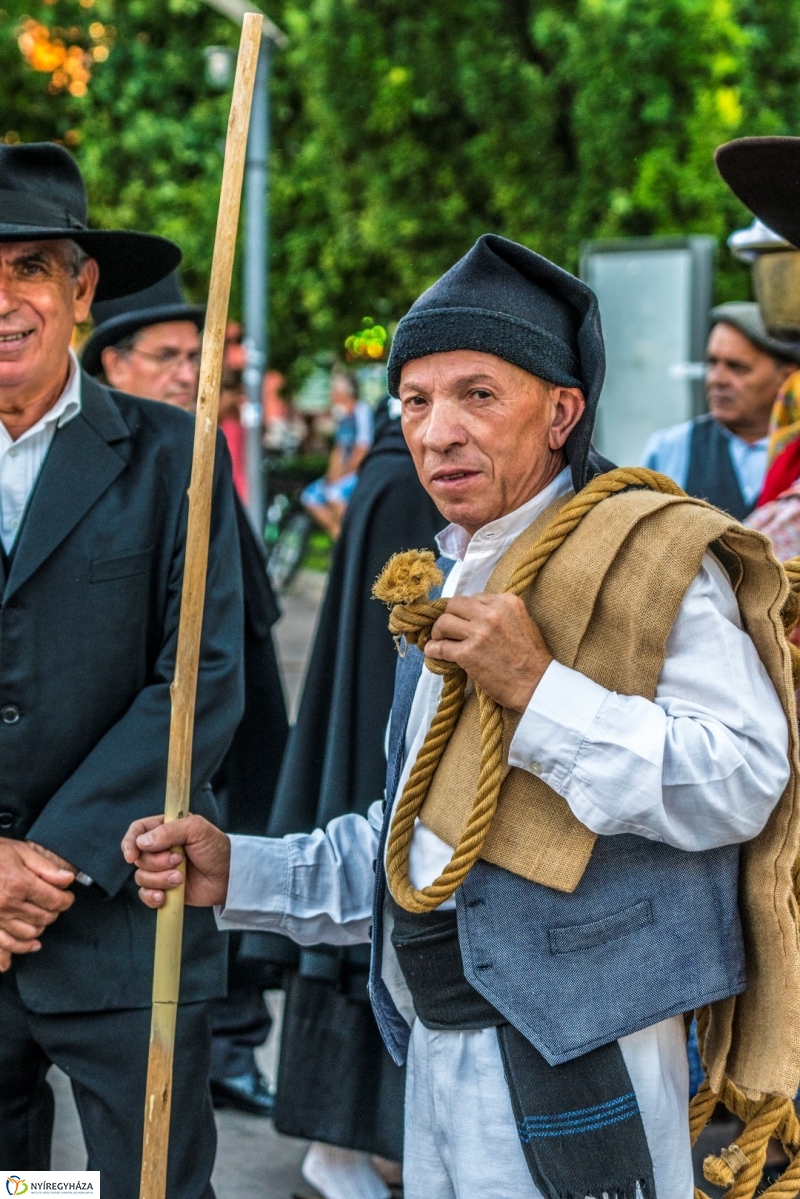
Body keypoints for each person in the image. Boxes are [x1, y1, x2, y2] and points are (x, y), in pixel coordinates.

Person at [124, 234, 800, 1199]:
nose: (435, 431)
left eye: (477, 394)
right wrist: (246, 868)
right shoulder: (450, 575)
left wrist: (541, 689)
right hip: (437, 1055)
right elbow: (422, 856)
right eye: (415, 400)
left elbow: (742, 780)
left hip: (587, 1054)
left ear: (562, 410)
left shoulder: (657, 558)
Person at [0, 142, 243, 1195]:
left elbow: (201, 676)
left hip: (121, 930)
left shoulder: (176, 457)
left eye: (31, 266)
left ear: (83, 287)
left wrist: (43, 857)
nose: (5, 299)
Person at [82, 273, 289, 1116]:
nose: (186, 372)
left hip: (213, 741)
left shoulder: (198, 453)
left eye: (195, 356)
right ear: (111, 365)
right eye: (166, 357)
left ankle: (232, 1043)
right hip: (102, 795)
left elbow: (227, 636)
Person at [267, 395, 443, 1199]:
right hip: (390, 769)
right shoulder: (415, 482)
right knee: (367, 947)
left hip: (376, 767)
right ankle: (343, 1153)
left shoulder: (389, 471)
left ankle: (353, 1154)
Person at [642, 301, 800, 517]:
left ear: (787, 376)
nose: (717, 379)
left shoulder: (794, 451)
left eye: (737, 367)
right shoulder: (672, 448)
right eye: (712, 363)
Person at [301, 371, 373, 538]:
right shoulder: (341, 416)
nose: (331, 394)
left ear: (345, 391)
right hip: (344, 475)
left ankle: (356, 537)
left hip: (359, 473)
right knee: (310, 496)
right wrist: (331, 476)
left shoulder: (361, 411)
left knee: (334, 494)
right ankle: (340, 537)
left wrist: (342, 476)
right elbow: (339, 450)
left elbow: (362, 449)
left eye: (334, 390)